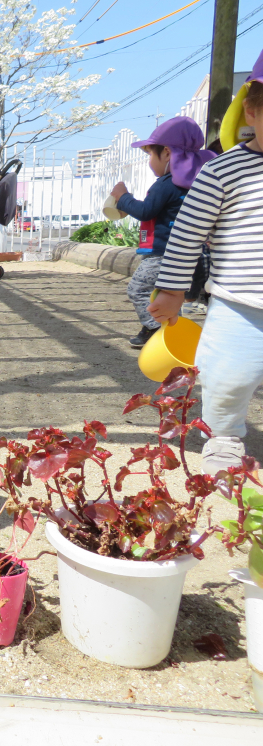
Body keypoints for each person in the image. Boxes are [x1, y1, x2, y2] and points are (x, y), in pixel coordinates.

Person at [148, 58, 263, 475]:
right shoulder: (224, 170)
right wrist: (173, 291)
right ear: (251, 110)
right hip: (241, 303)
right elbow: (187, 235)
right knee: (228, 376)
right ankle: (224, 434)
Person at [109, 117, 216, 348]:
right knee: (166, 294)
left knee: (138, 289)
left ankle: (157, 330)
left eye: (150, 154)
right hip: (191, 253)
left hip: (163, 254)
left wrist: (122, 197)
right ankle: (161, 327)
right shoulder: (195, 184)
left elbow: (146, 211)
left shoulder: (165, 184)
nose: (149, 161)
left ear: (166, 153)